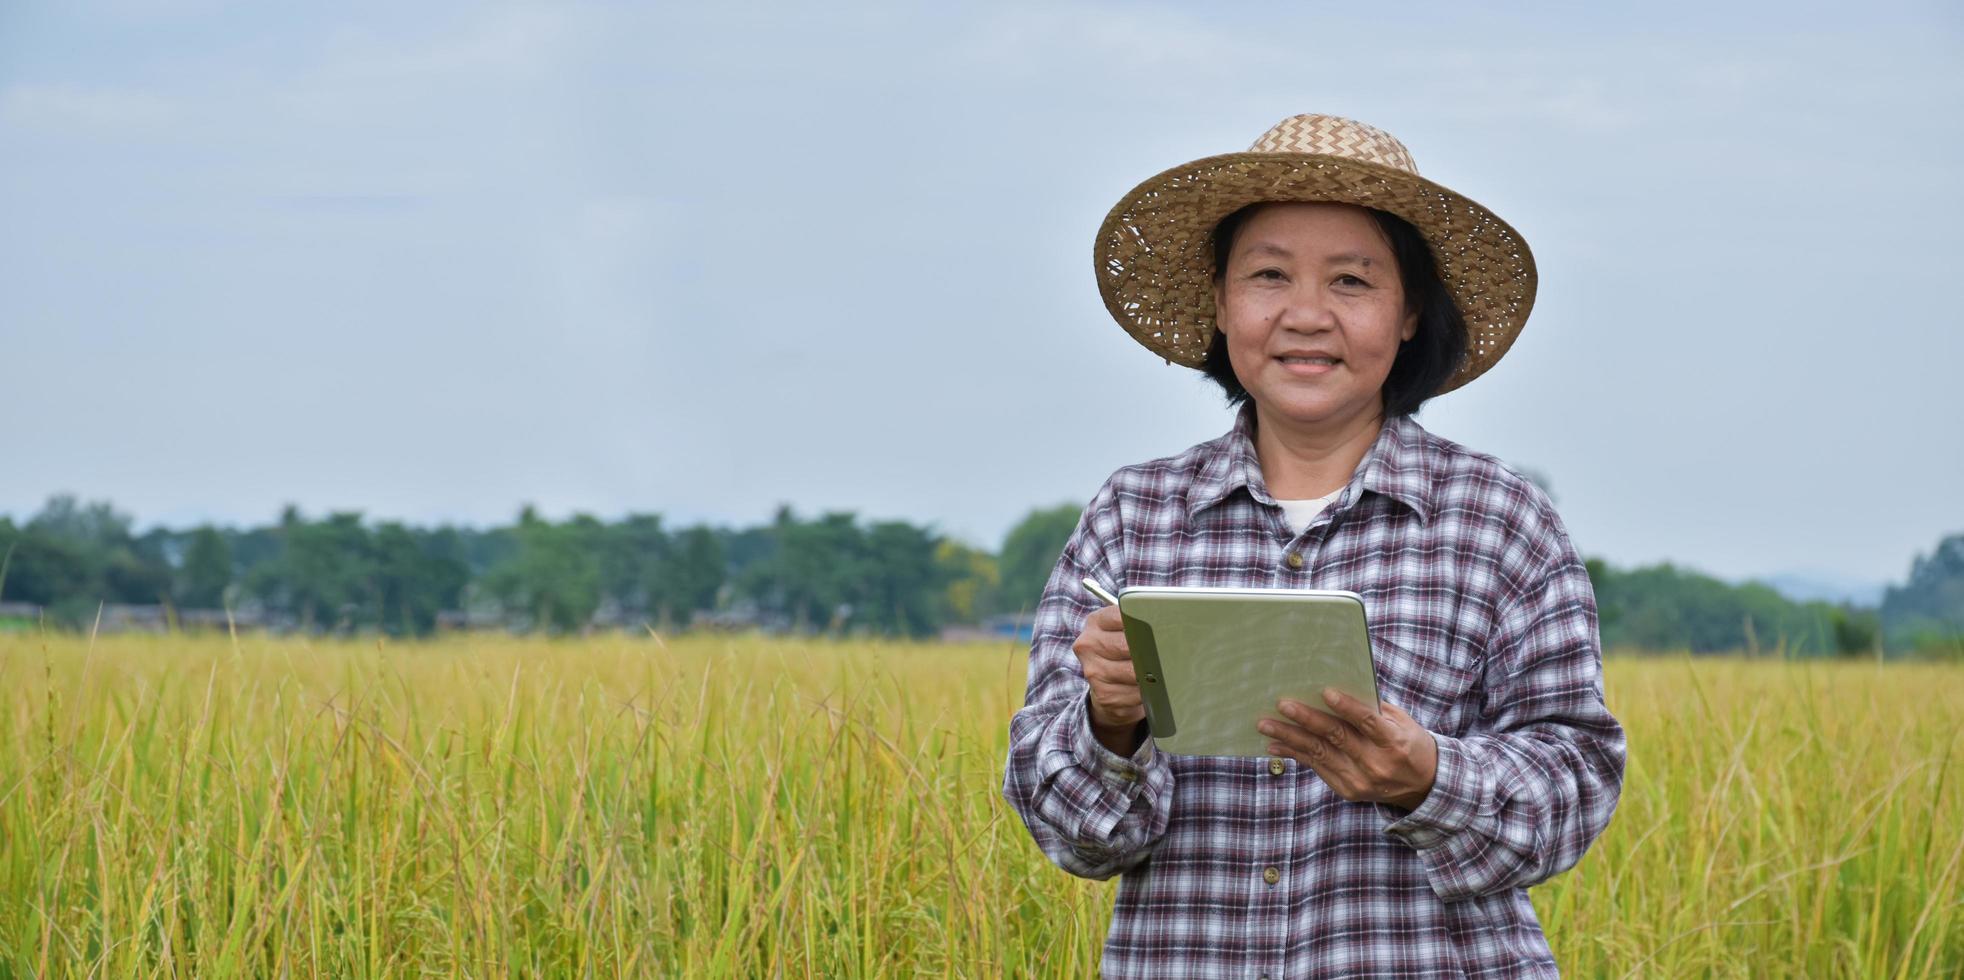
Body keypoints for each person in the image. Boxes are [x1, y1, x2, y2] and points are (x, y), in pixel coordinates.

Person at [1001, 114, 1626, 978]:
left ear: (1409, 313)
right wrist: (1112, 722)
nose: (1305, 315)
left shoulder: (1500, 519)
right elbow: (1072, 835)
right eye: (1268, 275)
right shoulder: (1134, 515)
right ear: (1220, 304)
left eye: (1352, 282)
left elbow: (1577, 786)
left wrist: (1428, 777)